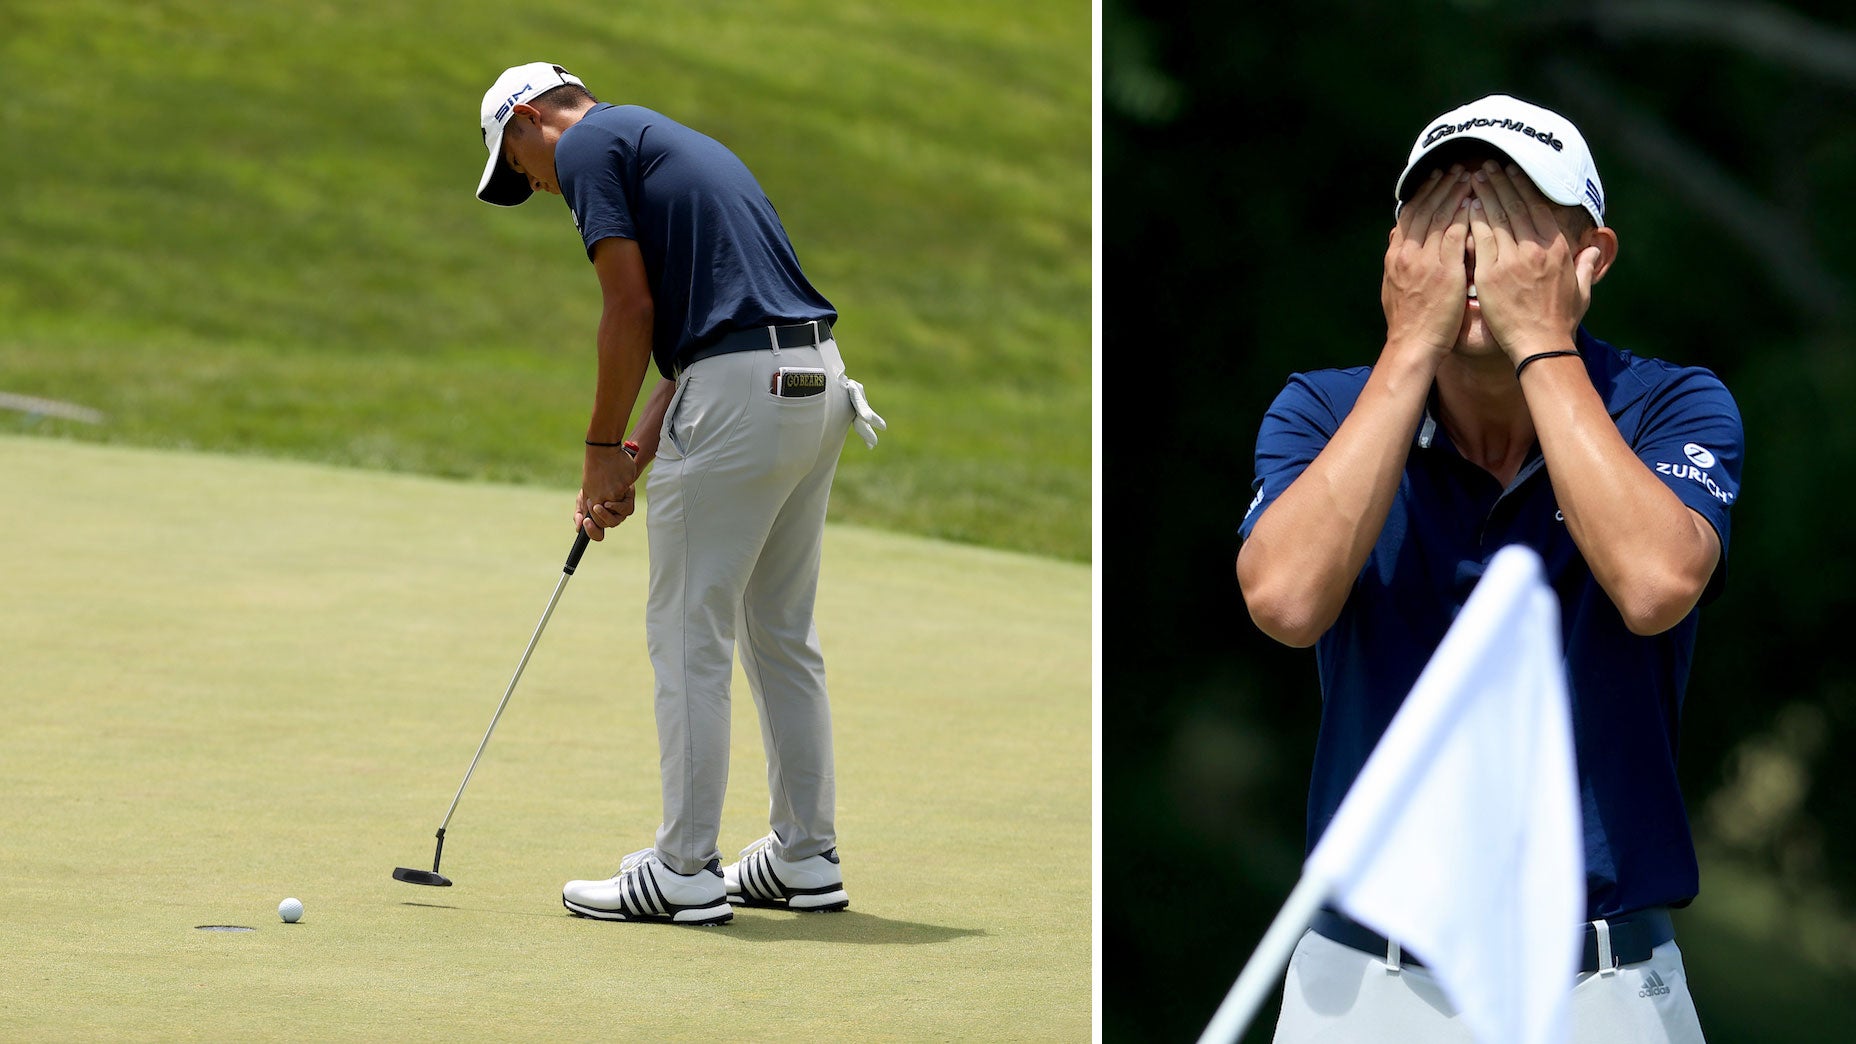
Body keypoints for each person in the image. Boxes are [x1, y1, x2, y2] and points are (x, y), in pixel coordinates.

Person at [1235, 94, 1741, 1041]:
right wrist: (1410, 346)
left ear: (1591, 258)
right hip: (1362, 980)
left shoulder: (1671, 404)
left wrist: (1540, 341)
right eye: (1445, 221)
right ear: (1399, 253)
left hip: (1602, 979)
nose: (1475, 254)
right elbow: (1286, 600)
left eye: (1511, 220)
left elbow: (1655, 585)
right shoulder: (1321, 409)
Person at [473, 62, 885, 925]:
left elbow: (628, 311)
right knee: (778, 633)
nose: (535, 185)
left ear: (528, 121)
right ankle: (804, 856)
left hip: (743, 393)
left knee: (689, 633)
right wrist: (635, 450)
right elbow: (701, 328)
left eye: (517, 166)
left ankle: (684, 868)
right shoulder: (664, 139)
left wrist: (596, 452)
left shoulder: (584, 146)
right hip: (815, 380)